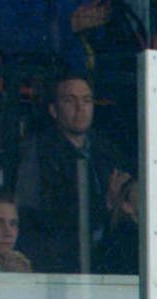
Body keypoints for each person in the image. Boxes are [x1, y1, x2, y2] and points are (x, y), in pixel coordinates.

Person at [12, 71, 127, 274]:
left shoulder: (105, 148)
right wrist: (106, 203)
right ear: (53, 110)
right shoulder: (39, 152)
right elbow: (47, 216)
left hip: (104, 259)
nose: (80, 109)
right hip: (61, 264)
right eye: (69, 101)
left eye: (87, 100)